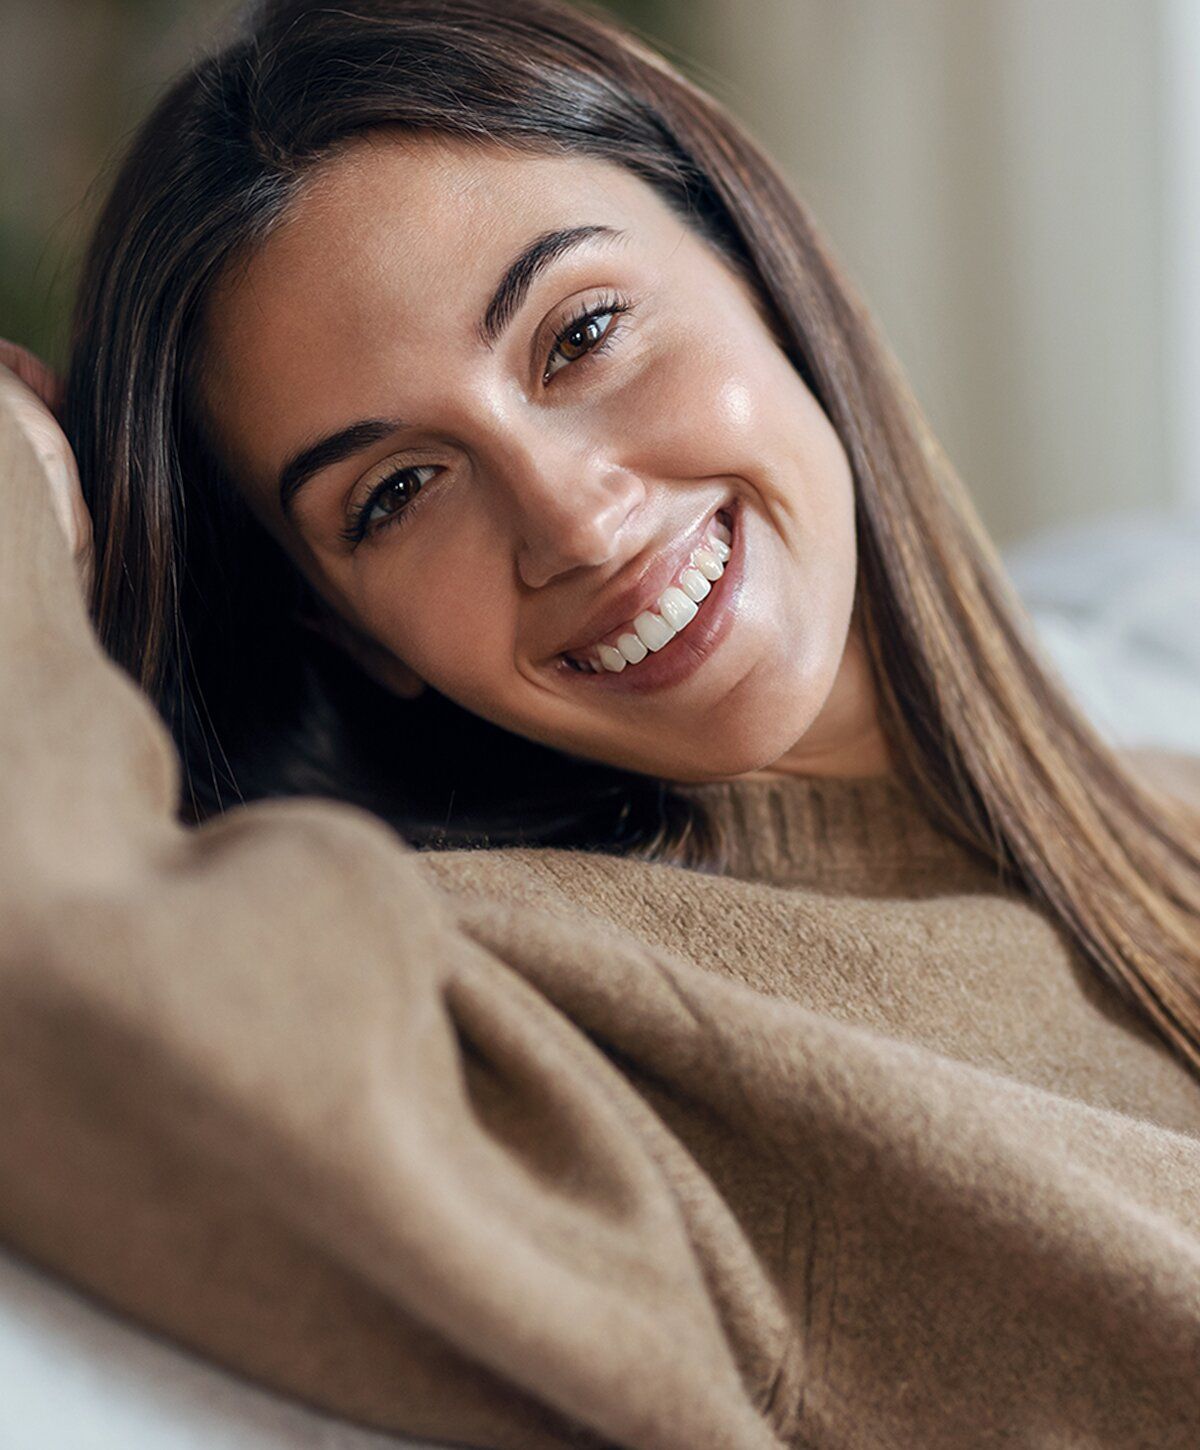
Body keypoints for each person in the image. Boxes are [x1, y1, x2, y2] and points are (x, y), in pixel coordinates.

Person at [2, 1, 1199, 1446]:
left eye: (581, 332)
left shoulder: (1160, 796)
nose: (572, 516)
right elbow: (57, 997)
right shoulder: (563, 996)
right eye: (394, 491)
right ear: (348, 634)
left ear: (758, 260)